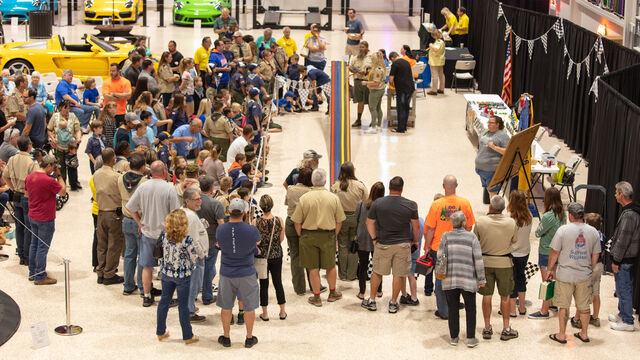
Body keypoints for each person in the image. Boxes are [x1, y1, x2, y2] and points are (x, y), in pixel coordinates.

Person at [126, 161, 182, 307]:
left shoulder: (143, 186)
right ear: (164, 172)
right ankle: (166, 297)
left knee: (146, 266)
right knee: (166, 267)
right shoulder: (169, 189)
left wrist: (139, 222)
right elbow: (176, 212)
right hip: (166, 234)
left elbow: (130, 208)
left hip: (147, 232)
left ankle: (146, 296)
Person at [362, 176, 419, 313]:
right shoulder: (410, 205)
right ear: (402, 189)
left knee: (377, 272)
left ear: (389, 188)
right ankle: (393, 303)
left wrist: (374, 238)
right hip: (403, 244)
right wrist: (415, 240)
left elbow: (369, 223)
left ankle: (372, 300)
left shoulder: (378, 203)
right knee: (398, 274)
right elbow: (416, 226)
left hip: (383, 243)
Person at [547, 203, 601, 344]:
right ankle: (584, 333)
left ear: (570, 215)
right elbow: (596, 254)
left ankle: (562, 334)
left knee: (563, 306)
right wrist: (590, 268)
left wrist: (550, 269)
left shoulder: (563, 230)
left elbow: (554, 252)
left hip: (565, 275)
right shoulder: (593, 232)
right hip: (584, 275)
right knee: (584, 307)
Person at [292, 168, 345, 306]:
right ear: (325, 181)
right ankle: (332, 293)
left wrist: (301, 235)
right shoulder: (333, 198)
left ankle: (316, 297)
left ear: (312, 181)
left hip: (308, 236)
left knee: (313, 268)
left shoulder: (304, 199)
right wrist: (334, 235)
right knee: (331, 266)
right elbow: (339, 220)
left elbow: (297, 221)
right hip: (328, 235)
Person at [424, 175, 475, 319]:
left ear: (443, 186)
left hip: (439, 249)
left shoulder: (436, 205)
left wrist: (427, 247)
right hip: (459, 249)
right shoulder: (464, 203)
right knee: (457, 277)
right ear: (457, 185)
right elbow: (469, 226)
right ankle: (455, 305)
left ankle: (444, 311)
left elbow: (430, 229)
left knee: (440, 280)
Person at [216, 198, 261, 348]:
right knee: (249, 306)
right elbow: (256, 243)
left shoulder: (221, 229)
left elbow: (220, 245)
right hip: (246, 272)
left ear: (228, 212)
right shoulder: (252, 230)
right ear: (244, 212)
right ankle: (249, 337)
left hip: (227, 272)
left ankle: (226, 337)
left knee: (226, 306)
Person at [474, 195, 519, 341]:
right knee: (505, 297)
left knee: (487, 296)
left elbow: (476, 240)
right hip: (504, 263)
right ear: (504, 208)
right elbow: (514, 240)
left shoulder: (481, 221)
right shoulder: (511, 222)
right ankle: (506, 328)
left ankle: (487, 328)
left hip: (485, 262)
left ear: (490, 207)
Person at [439, 211, 486, 347]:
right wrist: (481, 279)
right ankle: (470, 338)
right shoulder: (471, 238)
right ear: (464, 223)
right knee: (471, 308)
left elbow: (441, 257)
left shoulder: (446, 236)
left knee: (453, 308)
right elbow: (478, 260)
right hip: (468, 279)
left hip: (450, 280)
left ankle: (454, 337)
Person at [156, 209, 199, 345]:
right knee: (183, 305)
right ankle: (187, 335)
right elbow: (194, 256)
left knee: (164, 301)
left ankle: (160, 331)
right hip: (182, 275)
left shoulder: (164, 235)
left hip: (166, 273)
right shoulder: (186, 240)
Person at [25, 154, 65, 285]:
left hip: (32, 215)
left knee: (34, 244)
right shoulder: (49, 181)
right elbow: (63, 191)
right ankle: (40, 275)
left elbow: (27, 191)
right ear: (48, 165)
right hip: (45, 217)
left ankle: (33, 272)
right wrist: (59, 175)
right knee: (42, 247)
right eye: (53, 167)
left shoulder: (30, 177)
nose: (54, 170)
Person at [529, 187, 566, 319]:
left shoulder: (548, 216)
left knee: (547, 281)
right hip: (558, 250)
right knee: (554, 278)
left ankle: (544, 311)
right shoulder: (563, 214)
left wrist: (543, 231)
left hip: (546, 250)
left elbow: (538, 232)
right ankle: (552, 303)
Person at [609, 181, 640, 331]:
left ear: (621, 194)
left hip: (625, 259)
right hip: (625, 258)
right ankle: (622, 313)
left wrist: (616, 259)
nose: (615, 195)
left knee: (624, 288)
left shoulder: (629, 215)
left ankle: (628, 321)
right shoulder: (628, 211)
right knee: (620, 288)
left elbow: (623, 240)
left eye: (616, 192)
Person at [330, 162, 367, 281]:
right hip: (356, 218)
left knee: (342, 245)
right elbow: (366, 202)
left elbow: (331, 204)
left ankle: (342, 274)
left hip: (341, 219)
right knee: (354, 245)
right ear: (353, 171)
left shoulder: (335, 186)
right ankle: (351, 274)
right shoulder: (360, 186)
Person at [94, 148, 125, 285]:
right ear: (113, 159)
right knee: (114, 244)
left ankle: (100, 271)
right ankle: (109, 274)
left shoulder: (96, 174)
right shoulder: (116, 177)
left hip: (100, 212)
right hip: (114, 213)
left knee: (102, 244)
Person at [253, 194, 287, 321]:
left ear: (261, 207)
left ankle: (265, 313)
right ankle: (282, 311)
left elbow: (254, 241)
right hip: (276, 254)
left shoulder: (255, 222)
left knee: (263, 284)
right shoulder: (279, 220)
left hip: (262, 256)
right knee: (278, 282)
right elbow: (281, 239)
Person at [3, 136, 36, 265]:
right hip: (27, 196)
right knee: (28, 227)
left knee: (19, 226)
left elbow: (5, 176)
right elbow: (33, 182)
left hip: (16, 194)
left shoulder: (12, 159)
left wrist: (13, 188)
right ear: (28, 146)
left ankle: (21, 252)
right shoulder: (30, 162)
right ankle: (27, 255)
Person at [118, 154, 148, 296]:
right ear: (143, 167)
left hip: (126, 218)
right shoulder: (144, 182)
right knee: (143, 255)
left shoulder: (120, 178)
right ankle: (143, 286)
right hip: (140, 221)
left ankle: (128, 285)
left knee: (129, 253)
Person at [284, 167, 316, 295]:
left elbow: (287, 203)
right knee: (309, 255)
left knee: (295, 255)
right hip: (307, 224)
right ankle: (314, 286)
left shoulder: (291, 189)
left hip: (291, 222)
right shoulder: (312, 192)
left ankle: (299, 288)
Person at [571, 213, 606, 328]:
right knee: (596, 292)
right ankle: (595, 317)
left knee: (583, 293)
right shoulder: (602, 236)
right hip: (599, 265)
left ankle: (577, 318)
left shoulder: (588, 236)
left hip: (589, 266)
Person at [197, 175, 226, 305]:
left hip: (195, 240)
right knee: (209, 268)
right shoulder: (216, 204)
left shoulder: (193, 201)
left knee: (201, 268)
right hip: (211, 242)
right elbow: (221, 224)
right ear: (211, 187)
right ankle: (207, 296)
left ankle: (198, 290)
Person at [181, 188, 209, 322]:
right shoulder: (191, 217)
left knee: (192, 284)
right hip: (195, 257)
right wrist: (201, 254)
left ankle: (189, 307)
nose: (200, 201)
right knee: (194, 285)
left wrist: (201, 224)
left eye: (200, 198)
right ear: (187, 201)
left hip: (189, 256)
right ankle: (190, 311)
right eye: (196, 199)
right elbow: (194, 240)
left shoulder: (186, 213)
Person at [355, 181, 385, 299]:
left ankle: (362, 292)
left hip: (362, 238)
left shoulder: (361, 204)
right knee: (378, 266)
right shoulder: (382, 207)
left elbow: (356, 220)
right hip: (377, 239)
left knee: (363, 266)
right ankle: (379, 291)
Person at [507, 190, 533, 316]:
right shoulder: (529, 217)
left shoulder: (510, 219)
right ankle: (522, 307)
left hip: (512, 253)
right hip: (524, 251)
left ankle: (512, 310)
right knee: (521, 278)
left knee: (512, 280)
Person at [48, 100, 82, 187]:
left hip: (70, 148)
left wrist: (78, 138)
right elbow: (49, 130)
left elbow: (77, 130)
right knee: (61, 166)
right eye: (65, 108)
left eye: (69, 108)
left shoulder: (73, 116)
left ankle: (74, 183)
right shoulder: (55, 117)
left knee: (73, 166)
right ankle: (62, 183)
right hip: (59, 147)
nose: (67, 110)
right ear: (60, 107)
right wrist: (52, 138)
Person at [474, 115, 509, 199]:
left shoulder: (503, 136)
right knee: (489, 191)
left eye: (491, 122)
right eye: (488, 122)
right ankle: (493, 208)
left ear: (497, 124)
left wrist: (494, 147)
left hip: (491, 170)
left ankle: (495, 210)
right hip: (481, 169)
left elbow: (508, 152)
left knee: (493, 193)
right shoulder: (486, 132)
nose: (488, 124)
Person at [388, 52, 414, 133]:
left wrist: (390, 84)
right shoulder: (406, 62)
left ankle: (400, 128)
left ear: (392, 58)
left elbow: (391, 78)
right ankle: (404, 126)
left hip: (402, 88)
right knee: (406, 107)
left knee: (401, 108)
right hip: (410, 87)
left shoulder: (395, 64)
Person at [349, 42, 371, 128]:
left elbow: (376, 69)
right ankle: (358, 120)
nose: (361, 49)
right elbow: (350, 67)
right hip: (357, 81)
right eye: (360, 47)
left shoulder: (371, 58)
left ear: (367, 48)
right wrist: (353, 70)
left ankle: (373, 120)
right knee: (360, 101)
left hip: (368, 82)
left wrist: (366, 71)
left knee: (370, 102)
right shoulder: (355, 58)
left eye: (363, 47)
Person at [364, 51, 387, 133]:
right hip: (380, 90)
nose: (371, 60)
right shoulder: (380, 67)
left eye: (372, 59)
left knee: (372, 108)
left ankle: (373, 127)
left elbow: (376, 83)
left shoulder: (378, 70)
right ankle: (378, 125)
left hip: (375, 90)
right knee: (378, 108)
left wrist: (366, 82)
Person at [428, 30, 446, 96]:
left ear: (435, 36)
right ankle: (441, 89)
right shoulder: (442, 41)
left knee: (434, 76)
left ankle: (434, 90)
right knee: (441, 75)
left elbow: (436, 49)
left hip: (435, 61)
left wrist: (431, 45)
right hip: (440, 61)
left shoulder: (438, 42)